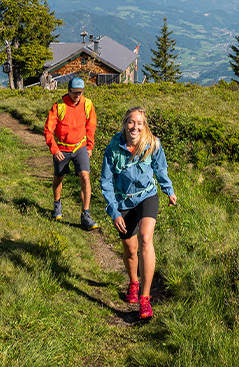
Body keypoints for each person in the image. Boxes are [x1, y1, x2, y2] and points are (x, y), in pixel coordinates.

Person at [100, 106, 177, 320]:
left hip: (147, 196)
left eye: (140, 123)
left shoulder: (152, 144)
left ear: (145, 126)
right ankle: (134, 281)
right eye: (131, 122)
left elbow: (161, 170)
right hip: (123, 200)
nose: (135, 127)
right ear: (125, 124)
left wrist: (168, 191)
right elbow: (105, 182)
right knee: (130, 249)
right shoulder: (113, 149)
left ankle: (145, 299)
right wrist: (114, 212)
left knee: (145, 238)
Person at [44, 77, 99, 231]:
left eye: (80, 93)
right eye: (75, 92)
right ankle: (57, 204)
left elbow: (91, 125)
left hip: (80, 147)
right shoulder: (58, 106)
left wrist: (89, 146)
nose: (77, 96)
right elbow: (48, 130)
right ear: (68, 91)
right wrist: (54, 150)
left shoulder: (87, 104)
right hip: (62, 149)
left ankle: (85, 215)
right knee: (58, 177)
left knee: (85, 177)